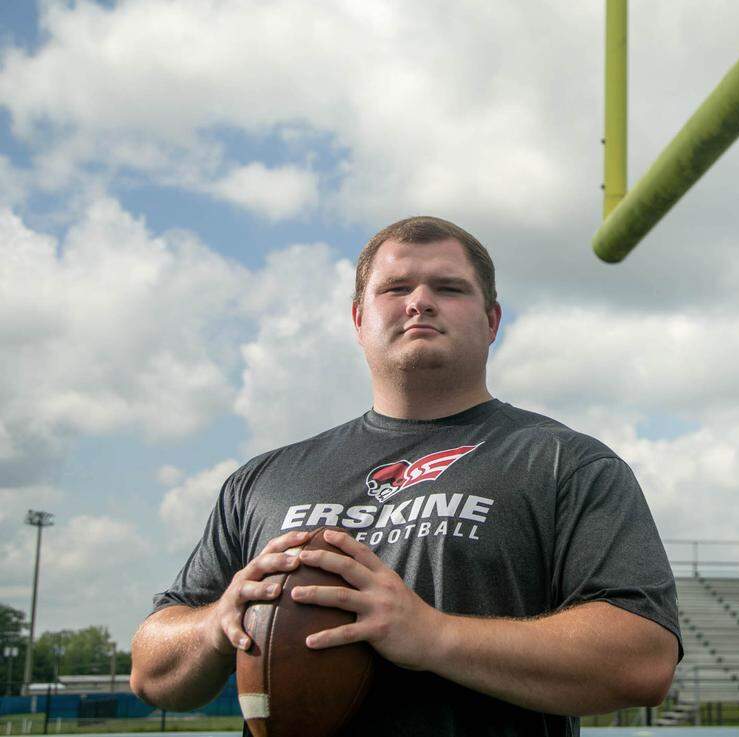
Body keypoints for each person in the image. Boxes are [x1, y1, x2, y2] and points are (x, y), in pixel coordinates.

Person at [129, 216, 682, 736]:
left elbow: (642, 659)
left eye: (449, 288)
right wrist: (216, 622)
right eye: (395, 288)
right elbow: (151, 675)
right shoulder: (262, 480)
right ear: (358, 319)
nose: (420, 302)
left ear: (492, 321)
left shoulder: (567, 464)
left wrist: (432, 634)